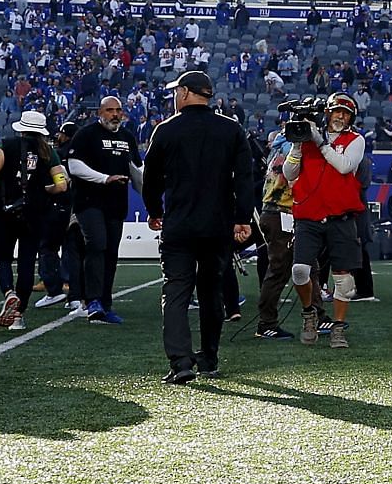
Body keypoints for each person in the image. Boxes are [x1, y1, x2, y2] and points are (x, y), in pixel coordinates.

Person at [140, 72, 256, 384]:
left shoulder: (166, 130)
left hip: (179, 225)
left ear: (188, 92)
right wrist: (242, 219)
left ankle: (180, 362)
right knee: (210, 292)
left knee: (176, 291)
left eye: (177, 91)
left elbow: (151, 178)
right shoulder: (231, 129)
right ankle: (209, 357)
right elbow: (245, 179)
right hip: (217, 226)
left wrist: (154, 211)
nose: (175, 96)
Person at [282, 93, 370, 348]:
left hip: (340, 216)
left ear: (351, 117)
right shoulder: (309, 139)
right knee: (299, 270)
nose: (340, 117)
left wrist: (319, 142)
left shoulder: (356, 140)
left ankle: (338, 327)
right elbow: (289, 173)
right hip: (308, 214)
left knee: (344, 279)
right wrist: (297, 146)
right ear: (327, 113)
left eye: (345, 113)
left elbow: (343, 166)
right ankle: (309, 312)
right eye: (336, 112)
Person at [64, 96, 142, 324]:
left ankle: (105, 304)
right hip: (89, 202)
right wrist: (105, 179)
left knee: (111, 253)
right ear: (100, 112)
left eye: (118, 110)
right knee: (97, 244)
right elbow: (74, 166)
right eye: (110, 110)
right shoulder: (86, 134)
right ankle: (93, 300)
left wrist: (150, 198)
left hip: (117, 204)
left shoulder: (127, 137)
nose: (115, 114)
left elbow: (136, 170)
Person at [0, 110, 62, 332]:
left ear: (21, 128)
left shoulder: (8, 145)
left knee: (2, 256)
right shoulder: (48, 152)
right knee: (26, 261)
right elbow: (62, 185)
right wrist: (43, 190)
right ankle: (18, 316)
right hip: (35, 214)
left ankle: (8, 292)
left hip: (7, 211)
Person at [251, 129, 296, 340]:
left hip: (272, 211)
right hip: (282, 211)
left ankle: (316, 314)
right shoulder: (292, 148)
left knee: (308, 266)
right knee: (278, 270)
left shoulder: (277, 145)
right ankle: (266, 323)